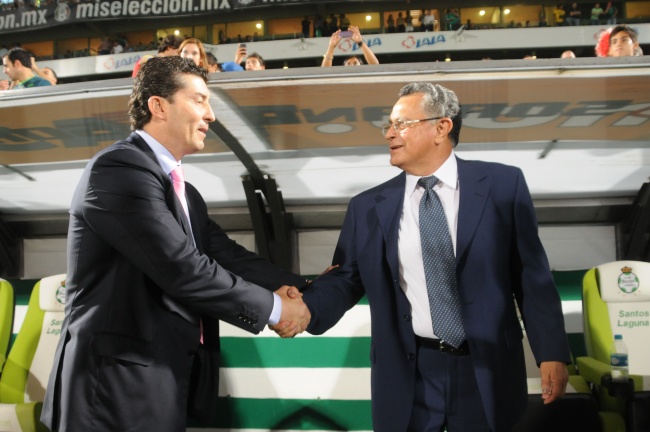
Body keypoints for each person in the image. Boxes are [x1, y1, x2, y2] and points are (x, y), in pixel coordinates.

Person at [276, 82, 571, 431]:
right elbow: (347, 277)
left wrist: (551, 351)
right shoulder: (367, 206)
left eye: (401, 124)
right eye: (388, 125)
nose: (390, 134)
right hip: (408, 371)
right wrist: (305, 309)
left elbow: (531, 276)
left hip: (487, 369)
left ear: (441, 127)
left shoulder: (503, 185)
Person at [40, 56, 310, 431]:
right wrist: (276, 309)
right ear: (159, 106)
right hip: (113, 388)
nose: (210, 114)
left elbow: (226, 256)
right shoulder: (119, 169)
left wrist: (304, 288)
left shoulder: (184, 192)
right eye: (199, 100)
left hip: (163, 378)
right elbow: (182, 268)